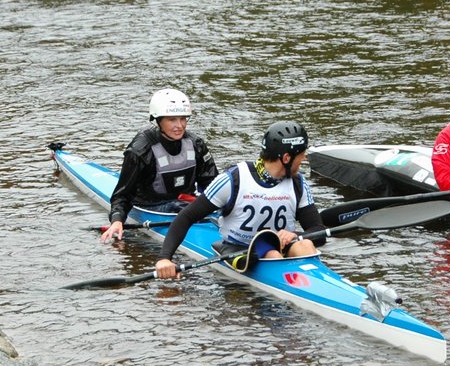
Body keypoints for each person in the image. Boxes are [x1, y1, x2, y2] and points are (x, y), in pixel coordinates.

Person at [154, 121, 327, 280]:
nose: (304, 160)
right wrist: (164, 259)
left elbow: (318, 231)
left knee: (305, 245)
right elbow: (186, 217)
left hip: (280, 247)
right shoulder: (234, 180)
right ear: (286, 158)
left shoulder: (298, 183)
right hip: (240, 249)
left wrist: (295, 235)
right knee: (271, 254)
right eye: (302, 155)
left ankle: (320, 283)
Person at [100, 89, 218, 242]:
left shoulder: (196, 144)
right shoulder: (140, 150)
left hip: (185, 204)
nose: (180, 126)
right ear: (158, 120)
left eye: (183, 119)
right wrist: (117, 220)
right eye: (172, 120)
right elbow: (123, 195)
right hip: (151, 206)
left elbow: (212, 184)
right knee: (176, 207)